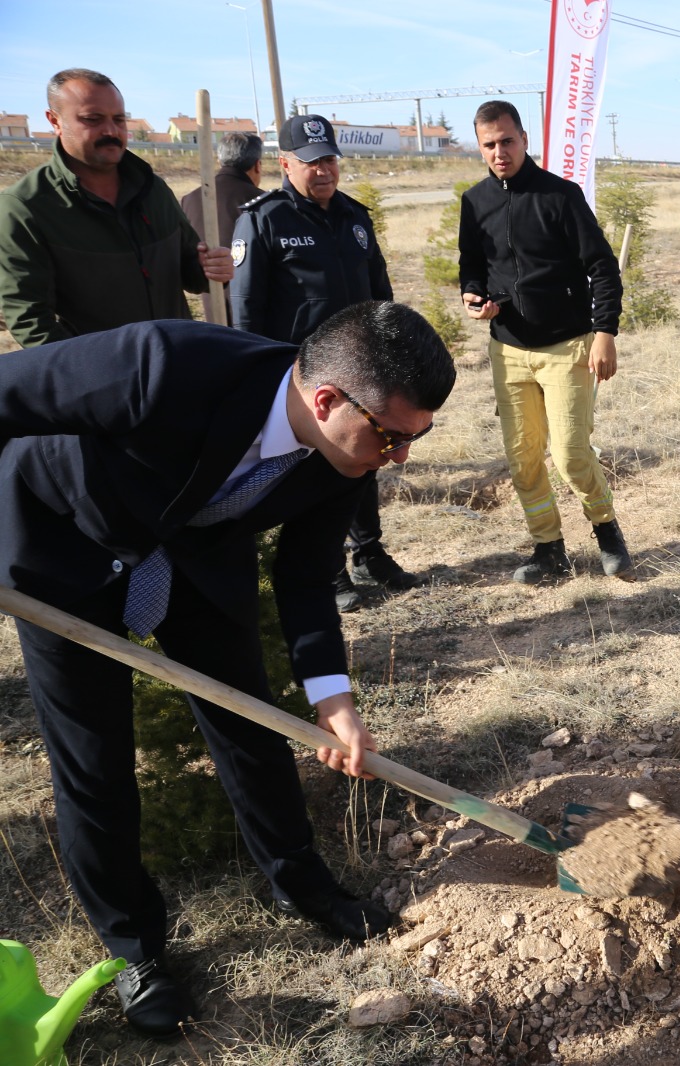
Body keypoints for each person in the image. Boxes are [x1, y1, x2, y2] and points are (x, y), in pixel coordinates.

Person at [0, 301, 455, 1038]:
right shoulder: (161, 365)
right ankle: (134, 949)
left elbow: (305, 578)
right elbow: (7, 393)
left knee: (251, 724)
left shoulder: (348, 453)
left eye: (415, 438)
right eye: (393, 437)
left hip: (198, 558)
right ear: (327, 400)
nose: (399, 457)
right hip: (68, 550)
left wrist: (332, 698)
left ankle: (299, 882)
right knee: (94, 759)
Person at [231, 114, 419, 612]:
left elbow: (381, 294)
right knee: (309, 472)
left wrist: (387, 354)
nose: (324, 171)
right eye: (312, 162)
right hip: (300, 379)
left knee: (366, 458)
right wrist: (258, 379)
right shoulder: (264, 219)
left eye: (329, 160)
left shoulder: (354, 217)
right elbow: (246, 310)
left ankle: (369, 553)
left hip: (359, 372)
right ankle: (327, 569)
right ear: (285, 164)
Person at [458, 99, 632, 585]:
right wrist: (473, 295)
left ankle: (607, 532)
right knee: (523, 458)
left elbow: (603, 268)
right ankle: (548, 548)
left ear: (524, 139)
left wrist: (605, 333)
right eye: (489, 145)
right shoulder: (474, 202)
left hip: (567, 346)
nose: (499, 152)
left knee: (572, 454)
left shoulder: (561, 196)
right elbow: (471, 264)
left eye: (507, 141)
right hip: (508, 350)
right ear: (480, 148)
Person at [0, 68, 233, 348]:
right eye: (92, 119)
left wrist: (213, 267)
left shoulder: (153, 189)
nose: (111, 131)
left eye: (119, 119)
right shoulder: (26, 207)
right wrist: (86, 370)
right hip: (102, 371)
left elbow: (193, 273)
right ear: (55, 120)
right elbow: (30, 319)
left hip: (178, 357)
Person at [180, 131, 263, 325]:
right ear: (257, 165)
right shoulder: (263, 202)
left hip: (213, 311)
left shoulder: (190, 199)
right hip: (254, 314)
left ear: (220, 160)